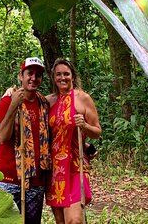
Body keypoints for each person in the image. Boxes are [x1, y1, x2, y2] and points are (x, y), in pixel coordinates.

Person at [0, 57, 51, 224]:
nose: (33, 78)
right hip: (9, 179)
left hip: (36, 181)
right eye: (30, 73)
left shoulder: (43, 103)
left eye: (38, 75)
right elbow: (1, 137)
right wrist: (13, 105)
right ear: (21, 76)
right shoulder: (7, 100)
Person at [46, 58, 102, 224]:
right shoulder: (48, 101)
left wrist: (84, 125)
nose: (62, 78)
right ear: (53, 77)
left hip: (76, 166)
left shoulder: (82, 98)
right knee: (61, 221)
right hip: (54, 169)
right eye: (58, 74)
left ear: (72, 76)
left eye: (66, 74)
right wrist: (10, 93)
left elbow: (97, 132)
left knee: (74, 220)